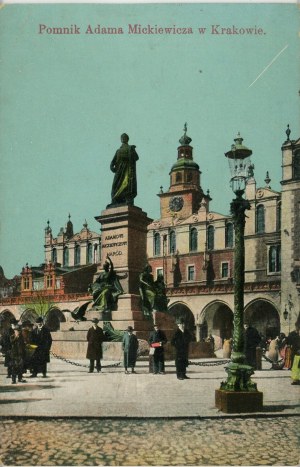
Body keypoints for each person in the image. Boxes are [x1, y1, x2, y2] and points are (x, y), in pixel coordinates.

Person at [110, 133, 139, 206]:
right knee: (115, 186)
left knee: (127, 185)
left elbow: (136, 158)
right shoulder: (118, 150)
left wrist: (133, 150)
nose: (123, 139)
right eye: (122, 138)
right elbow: (113, 162)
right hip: (119, 171)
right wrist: (112, 167)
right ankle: (116, 200)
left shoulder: (130, 148)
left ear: (127, 139)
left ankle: (127, 199)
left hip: (127, 172)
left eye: (124, 137)